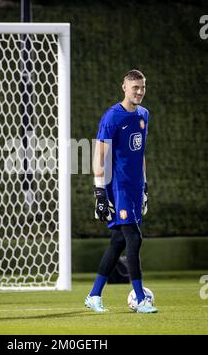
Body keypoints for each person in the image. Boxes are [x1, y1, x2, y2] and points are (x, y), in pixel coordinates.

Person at [85, 69, 158, 314]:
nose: (139, 91)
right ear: (124, 88)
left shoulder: (144, 115)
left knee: (117, 243)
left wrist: (145, 187)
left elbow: (141, 154)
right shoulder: (111, 117)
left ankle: (94, 295)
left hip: (136, 188)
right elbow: (100, 156)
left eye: (142, 87)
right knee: (134, 239)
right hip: (119, 187)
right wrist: (99, 193)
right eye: (135, 87)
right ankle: (141, 299)